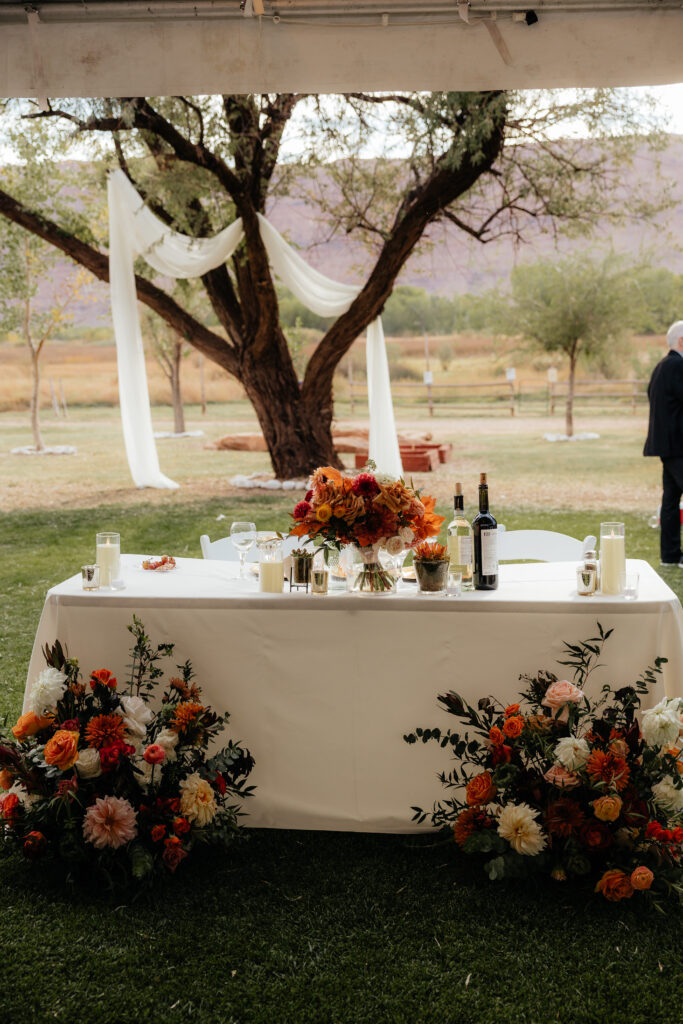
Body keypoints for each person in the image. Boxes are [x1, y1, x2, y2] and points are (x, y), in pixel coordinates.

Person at [644, 320, 683, 565]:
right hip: (679, 445)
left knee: (670, 500)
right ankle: (670, 554)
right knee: (670, 500)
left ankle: (670, 555)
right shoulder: (678, 365)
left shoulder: (661, 366)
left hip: (667, 447)